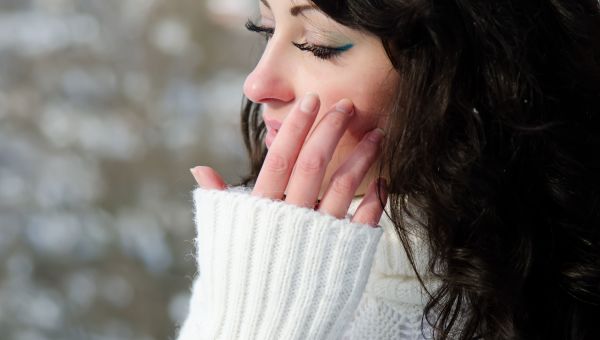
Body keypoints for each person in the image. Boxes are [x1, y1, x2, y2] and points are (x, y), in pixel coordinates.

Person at [178, 0, 600, 339]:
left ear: (466, 65)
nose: (256, 84)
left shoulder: (561, 283)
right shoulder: (254, 254)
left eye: (318, 44)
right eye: (266, 29)